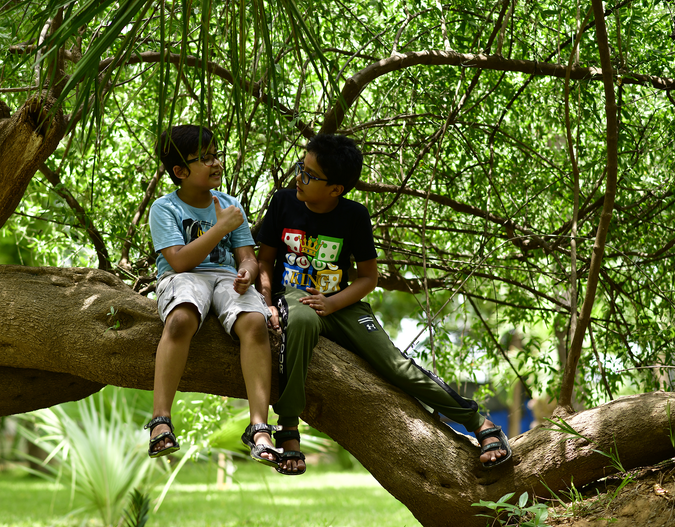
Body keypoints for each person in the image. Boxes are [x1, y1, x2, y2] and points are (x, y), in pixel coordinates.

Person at [256, 133, 512, 475]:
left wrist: (333, 304)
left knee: (395, 364)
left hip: (342, 303)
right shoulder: (283, 202)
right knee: (300, 322)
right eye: (301, 168)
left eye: (310, 175)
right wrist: (266, 302)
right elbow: (265, 260)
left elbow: (368, 278)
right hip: (295, 297)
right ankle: (288, 428)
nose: (299, 178)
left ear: (336, 188)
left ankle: (479, 422)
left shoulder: (354, 216)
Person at [145, 124, 280, 468]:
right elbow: (178, 260)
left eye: (217, 155)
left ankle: (259, 428)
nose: (217, 163)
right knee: (180, 319)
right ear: (180, 171)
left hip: (225, 279)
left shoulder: (231, 204)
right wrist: (220, 227)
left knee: (254, 323)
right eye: (205, 159)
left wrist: (248, 271)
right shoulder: (165, 208)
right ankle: (161, 419)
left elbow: (246, 256)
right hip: (183, 276)